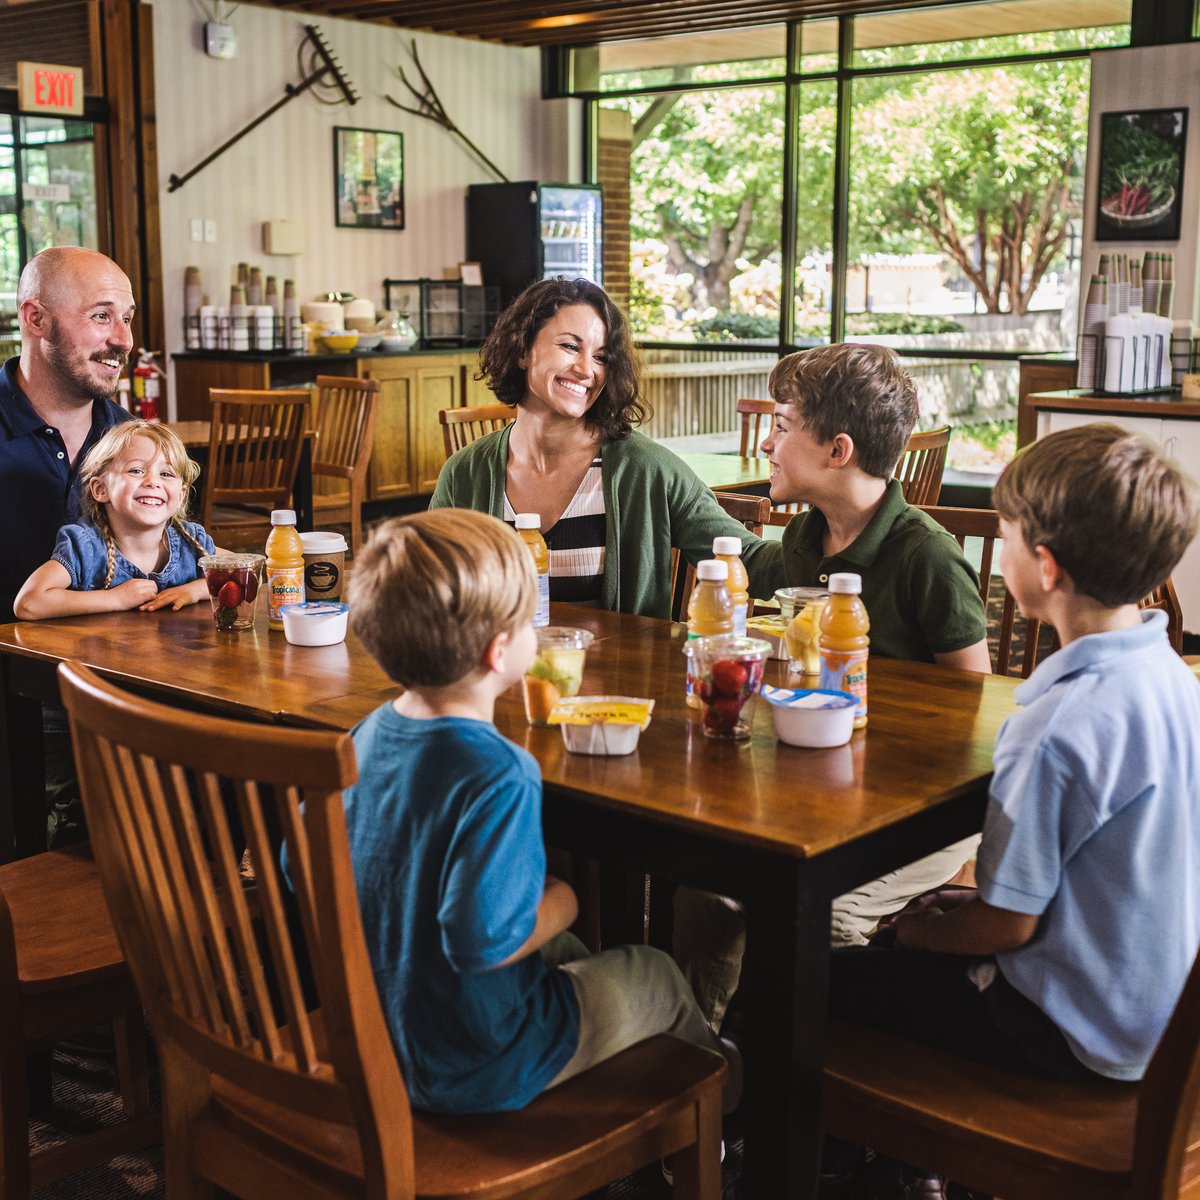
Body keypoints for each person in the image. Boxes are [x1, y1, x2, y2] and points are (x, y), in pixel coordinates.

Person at [823, 422, 1200, 1198]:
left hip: (1073, 1031)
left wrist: (929, 931)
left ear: (1045, 566)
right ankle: (909, 1170)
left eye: (1008, 530)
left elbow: (1006, 927)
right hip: (1161, 1014)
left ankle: (845, 1167)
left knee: (812, 981)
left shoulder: (1055, 725)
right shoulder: (1175, 681)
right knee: (906, 944)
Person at [343, 507, 738, 1115]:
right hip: (478, 1059)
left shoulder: (360, 740)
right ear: (501, 653)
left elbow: (304, 867)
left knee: (575, 956)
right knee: (655, 970)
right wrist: (565, 896)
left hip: (380, 1031)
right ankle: (729, 1116)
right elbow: (483, 943)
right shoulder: (499, 772)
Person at [673, 344, 993, 1032]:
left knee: (830, 916)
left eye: (783, 426)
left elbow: (979, 720)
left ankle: (822, 1104)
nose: (768, 440)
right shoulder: (802, 543)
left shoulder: (927, 557)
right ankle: (707, 1068)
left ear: (838, 449)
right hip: (819, 792)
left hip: (918, 809)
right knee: (710, 885)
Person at [429, 276, 777, 619]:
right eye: (570, 347)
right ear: (522, 349)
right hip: (502, 674)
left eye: (601, 357)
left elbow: (747, 559)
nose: (586, 370)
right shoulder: (466, 473)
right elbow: (427, 585)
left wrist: (828, 551)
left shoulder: (648, 469)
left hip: (622, 676)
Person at [0, 246, 136, 625]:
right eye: (101, 316)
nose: (124, 340)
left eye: (126, 318)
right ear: (36, 318)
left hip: (119, 663)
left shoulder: (133, 439)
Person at [14, 421, 215, 619]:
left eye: (166, 473)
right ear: (101, 489)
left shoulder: (190, 542)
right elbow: (29, 603)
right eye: (136, 471)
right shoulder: (87, 548)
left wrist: (195, 591)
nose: (153, 482)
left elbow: (244, 572)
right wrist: (115, 599)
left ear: (181, 495)